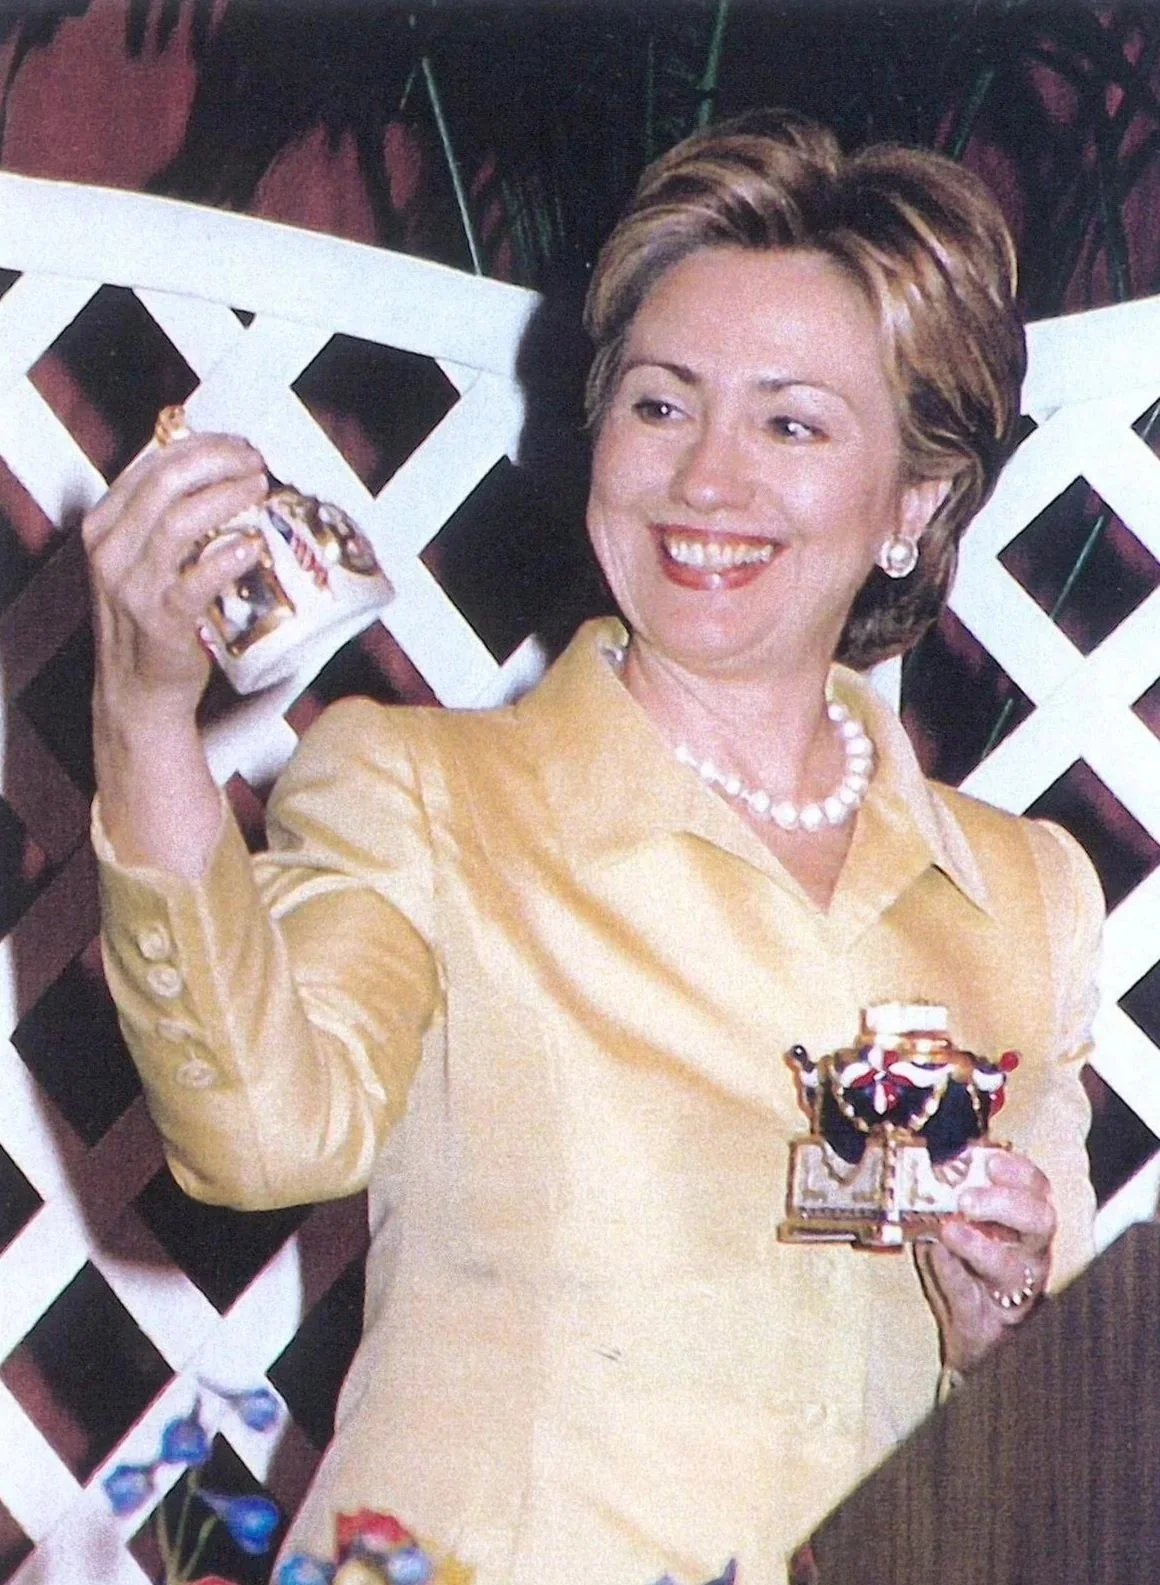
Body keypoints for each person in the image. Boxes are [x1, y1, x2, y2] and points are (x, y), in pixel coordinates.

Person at [85, 110, 1102, 1584]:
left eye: (792, 422)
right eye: (660, 404)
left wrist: (994, 1319)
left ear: (918, 502)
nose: (705, 481)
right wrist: (143, 721)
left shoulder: (1024, 899)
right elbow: (256, 1135)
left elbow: (1053, 1461)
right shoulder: (425, 789)